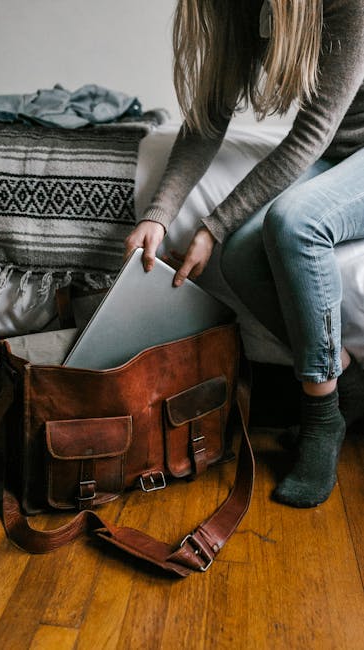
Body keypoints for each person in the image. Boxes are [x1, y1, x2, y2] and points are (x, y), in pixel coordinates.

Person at [124, 0, 364, 508]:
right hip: (343, 153)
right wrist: (159, 214)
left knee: (296, 223)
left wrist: (214, 224)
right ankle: (346, 377)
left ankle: (323, 418)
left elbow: (312, 132)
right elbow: (208, 119)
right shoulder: (245, 8)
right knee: (238, 258)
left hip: (337, 147)